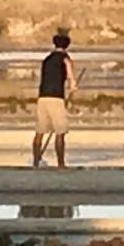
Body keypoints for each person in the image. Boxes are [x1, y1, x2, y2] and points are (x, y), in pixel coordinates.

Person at [32, 32, 77, 168]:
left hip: (43, 96)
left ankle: (36, 161)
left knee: (40, 131)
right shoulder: (65, 58)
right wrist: (73, 85)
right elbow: (70, 74)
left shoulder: (47, 59)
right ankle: (61, 164)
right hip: (56, 97)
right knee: (60, 131)